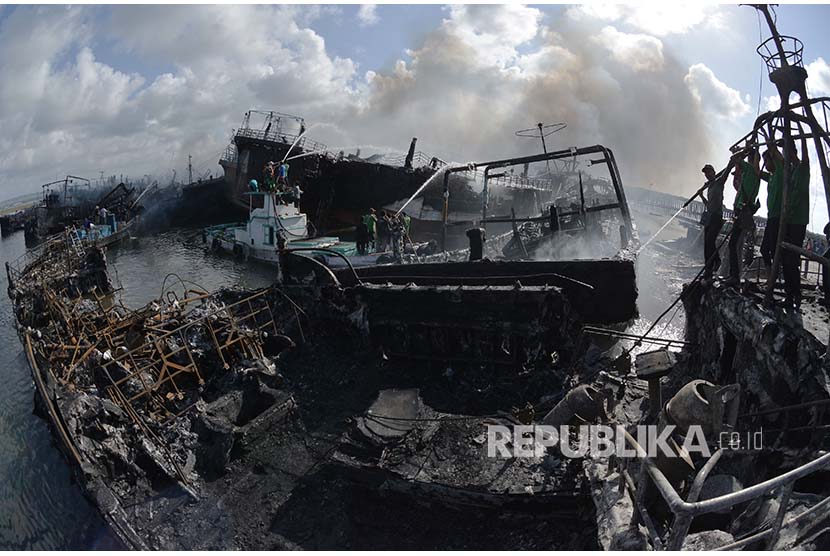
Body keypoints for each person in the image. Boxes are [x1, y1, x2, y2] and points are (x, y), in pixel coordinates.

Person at [725, 147, 762, 286]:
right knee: (734, 244)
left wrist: (743, 151)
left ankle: (734, 276)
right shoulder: (754, 174)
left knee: (733, 244)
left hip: (742, 212)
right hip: (742, 212)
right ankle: (733, 275)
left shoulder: (750, 170)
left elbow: (734, 158)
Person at [781, 136, 810, 309]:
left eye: (787, 151)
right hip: (790, 219)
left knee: (791, 259)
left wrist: (801, 136)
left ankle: (795, 293)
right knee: (786, 258)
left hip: (798, 219)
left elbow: (798, 193)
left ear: (792, 152)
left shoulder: (803, 168)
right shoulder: (790, 171)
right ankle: (790, 294)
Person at [699, 161, 734, 282]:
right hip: (710, 216)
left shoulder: (719, 183)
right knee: (706, 243)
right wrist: (701, 196)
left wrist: (731, 161)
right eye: (706, 174)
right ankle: (708, 268)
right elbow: (709, 205)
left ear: (713, 172)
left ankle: (716, 261)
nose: (707, 175)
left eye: (709, 172)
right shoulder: (709, 187)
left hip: (716, 217)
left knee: (710, 240)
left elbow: (727, 171)